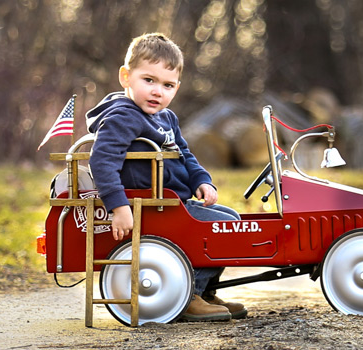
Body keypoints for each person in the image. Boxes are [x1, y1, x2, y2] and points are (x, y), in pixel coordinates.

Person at [85, 33, 247, 322]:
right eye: (149, 80)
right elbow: (102, 161)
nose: (158, 91)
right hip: (149, 204)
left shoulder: (166, 118)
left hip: (173, 200)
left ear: (177, 88)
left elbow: (184, 152)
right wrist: (118, 206)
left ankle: (205, 290)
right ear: (126, 77)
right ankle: (187, 294)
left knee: (230, 219)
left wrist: (202, 180)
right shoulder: (123, 116)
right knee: (223, 227)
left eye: (167, 85)